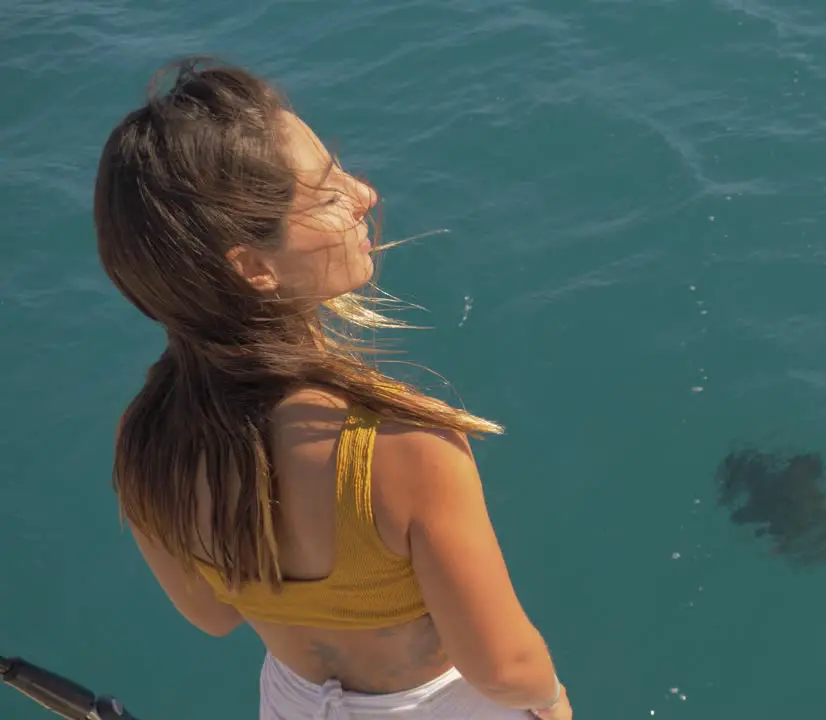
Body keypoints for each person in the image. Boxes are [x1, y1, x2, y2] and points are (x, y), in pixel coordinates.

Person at [93, 56, 573, 720]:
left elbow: (210, 614)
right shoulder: (408, 449)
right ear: (254, 267)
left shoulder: (142, 439)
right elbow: (503, 665)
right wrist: (552, 701)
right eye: (324, 193)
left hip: (292, 703)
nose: (362, 196)